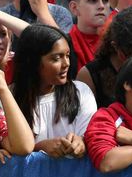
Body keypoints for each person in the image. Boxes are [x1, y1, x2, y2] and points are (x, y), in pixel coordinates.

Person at [12, 24, 97, 157]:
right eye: (56, 58)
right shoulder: (6, 98)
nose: (66, 64)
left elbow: (91, 135)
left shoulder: (81, 92)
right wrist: (39, 147)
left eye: (67, 56)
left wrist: (81, 142)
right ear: (33, 61)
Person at [68, 0, 112, 71]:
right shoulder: (66, 45)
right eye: (92, 0)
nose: (101, 6)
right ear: (74, 8)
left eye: (105, 0)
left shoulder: (117, 40)